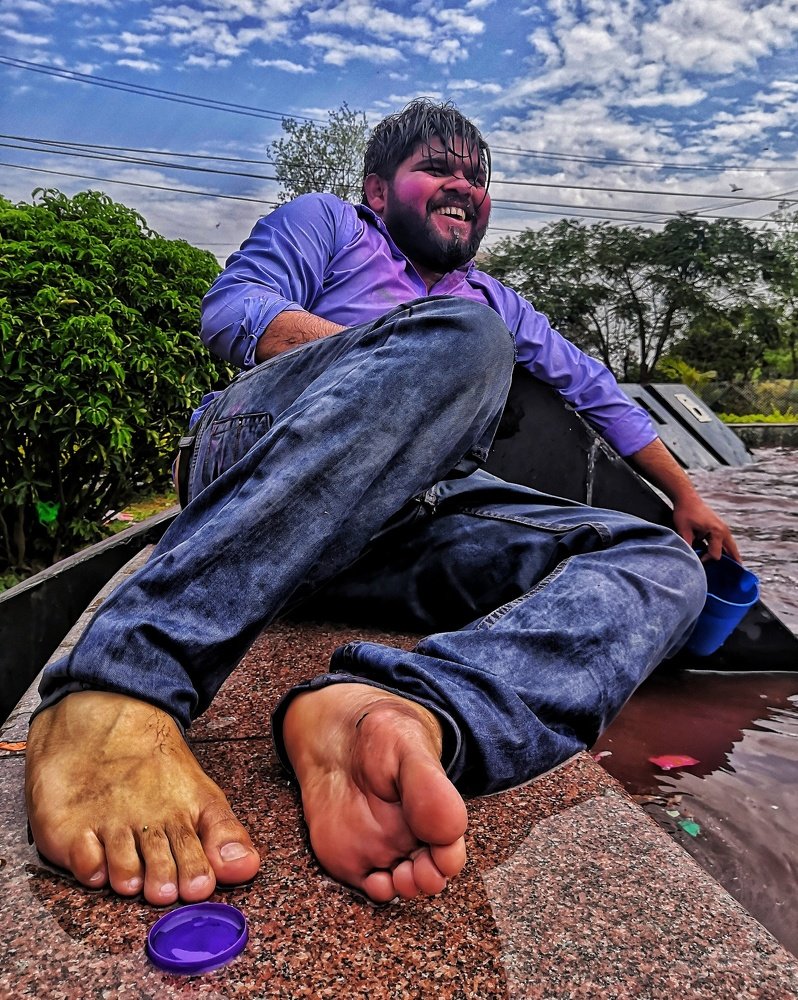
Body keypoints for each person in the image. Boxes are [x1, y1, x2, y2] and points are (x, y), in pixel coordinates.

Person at [25, 99, 737, 907]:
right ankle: (120, 683)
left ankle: (396, 710)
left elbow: (597, 391)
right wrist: (399, 367)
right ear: (376, 189)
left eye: (477, 177)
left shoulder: (493, 298)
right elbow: (233, 309)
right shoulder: (329, 225)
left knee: (659, 561)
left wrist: (686, 497)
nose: (463, 185)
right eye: (437, 168)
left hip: (403, 519)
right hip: (260, 466)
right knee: (464, 339)